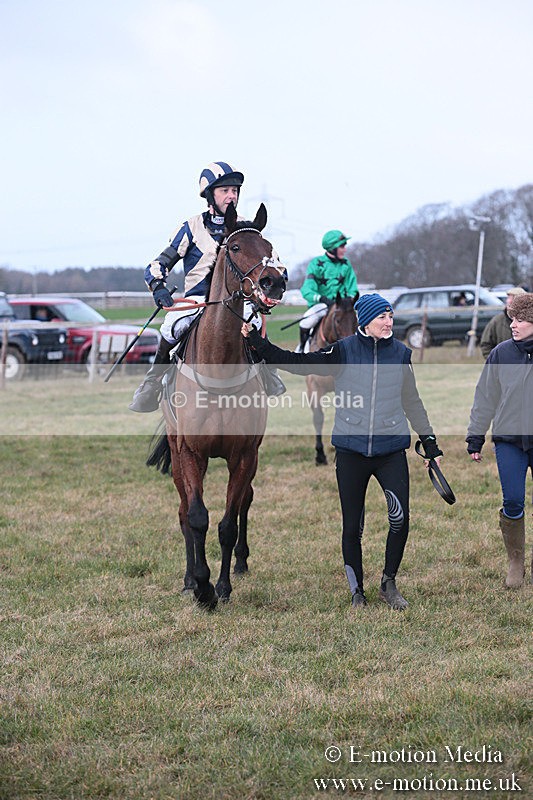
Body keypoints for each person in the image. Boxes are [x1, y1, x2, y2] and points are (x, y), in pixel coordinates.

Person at [242, 293, 443, 610]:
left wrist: (429, 442)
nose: (388, 322)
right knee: (352, 527)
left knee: (400, 519)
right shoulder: (343, 351)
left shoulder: (401, 354)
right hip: (351, 452)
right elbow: (298, 363)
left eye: (390, 316)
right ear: (366, 320)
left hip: (391, 451)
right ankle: (357, 590)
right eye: (382, 317)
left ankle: (389, 583)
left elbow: (412, 401)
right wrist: (258, 343)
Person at [129, 161, 284, 412]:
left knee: (255, 323)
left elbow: (274, 265)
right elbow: (158, 264)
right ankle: (152, 383)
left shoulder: (247, 229)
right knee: (170, 329)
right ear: (210, 195)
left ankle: (268, 374)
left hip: (237, 302)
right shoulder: (191, 227)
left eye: (235, 191)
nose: (231, 195)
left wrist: (270, 285)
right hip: (196, 301)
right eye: (225, 190)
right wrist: (158, 287)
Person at [466, 292, 533, 589]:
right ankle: (516, 561)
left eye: (520, 320)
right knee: (513, 500)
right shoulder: (501, 353)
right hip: (509, 440)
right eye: (511, 319)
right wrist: (475, 436)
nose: (513, 325)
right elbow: (485, 397)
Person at [297, 230, 359, 352]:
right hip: (321, 305)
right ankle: (301, 349)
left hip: (343, 306)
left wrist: (349, 299)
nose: (345, 249)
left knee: (358, 323)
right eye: (342, 246)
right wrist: (321, 298)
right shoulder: (316, 264)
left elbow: (352, 286)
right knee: (306, 321)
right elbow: (307, 289)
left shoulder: (346, 264)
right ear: (332, 248)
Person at [480, 286, 527, 359]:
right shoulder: (497, 320)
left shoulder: (529, 322)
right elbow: (486, 344)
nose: (509, 301)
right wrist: (495, 361)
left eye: (513, 298)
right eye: (508, 298)